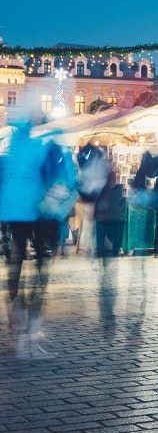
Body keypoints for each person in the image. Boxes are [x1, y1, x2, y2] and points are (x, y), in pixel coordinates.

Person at [0, 125, 73, 359]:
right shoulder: (41, 148)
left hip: (16, 217)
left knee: (16, 269)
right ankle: (28, 333)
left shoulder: (11, 153)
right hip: (37, 215)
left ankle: (19, 332)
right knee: (40, 273)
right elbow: (62, 179)